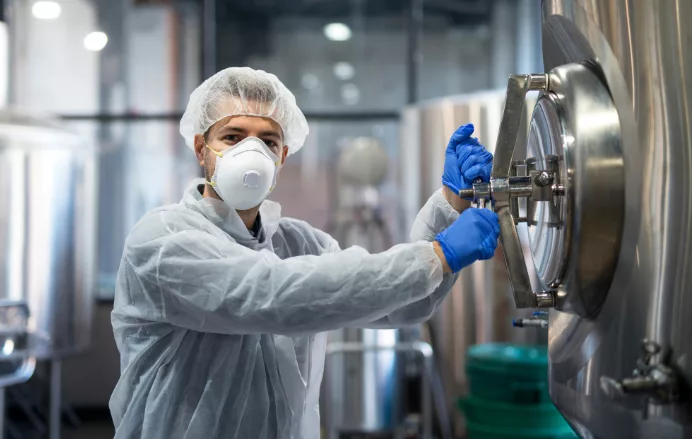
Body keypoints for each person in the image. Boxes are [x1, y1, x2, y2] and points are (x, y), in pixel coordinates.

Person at [109, 67, 500, 439]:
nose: (252, 152)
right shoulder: (162, 241)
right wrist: (439, 253)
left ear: (281, 157)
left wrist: (449, 207)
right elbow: (272, 295)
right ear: (201, 148)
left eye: (268, 141)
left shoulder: (299, 243)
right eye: (232, 137)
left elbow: (400, 305)